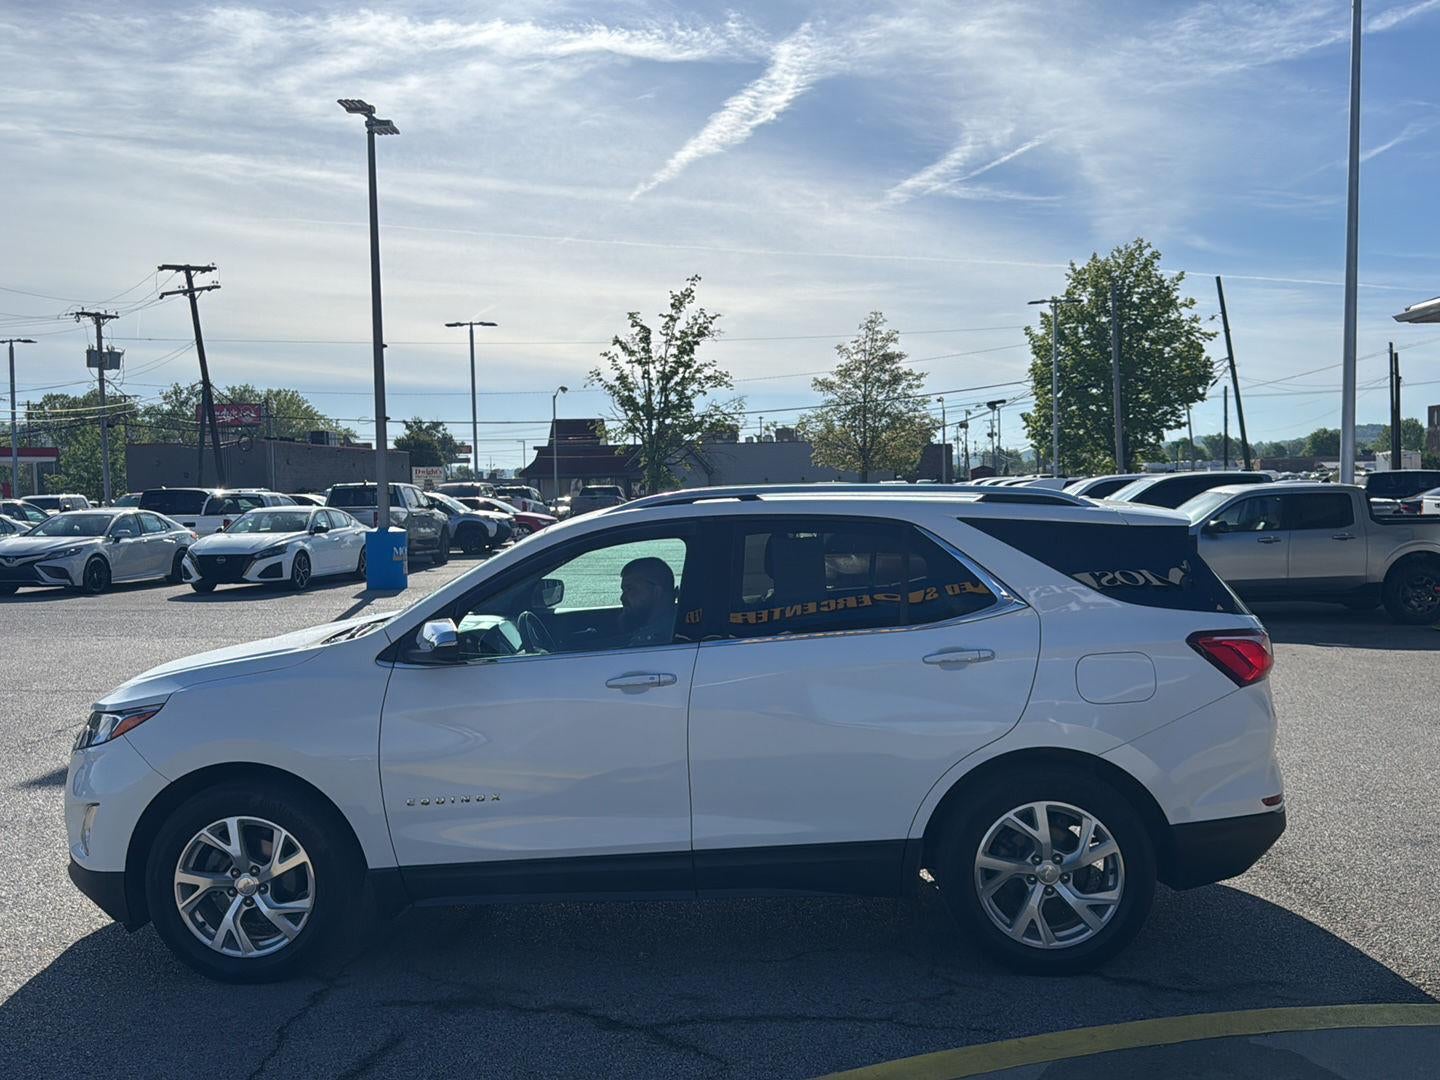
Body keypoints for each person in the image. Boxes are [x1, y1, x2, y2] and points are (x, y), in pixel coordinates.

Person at [620, 557, 676, 647]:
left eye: (629, 589)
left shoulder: (661, 640)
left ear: (657, 591)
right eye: (624, 591)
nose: (622, 598)